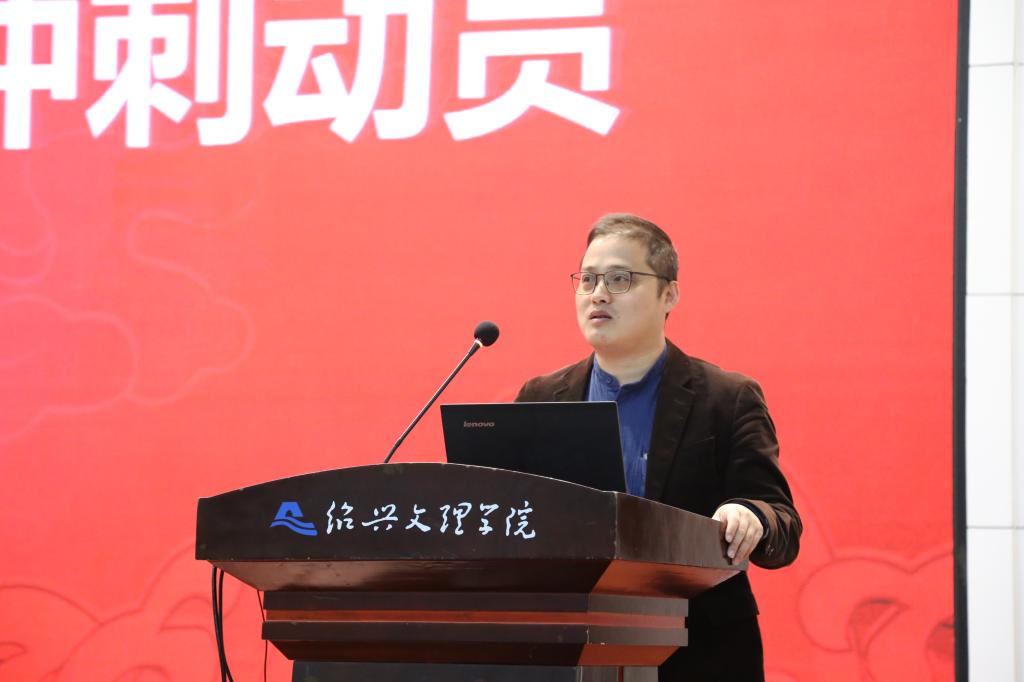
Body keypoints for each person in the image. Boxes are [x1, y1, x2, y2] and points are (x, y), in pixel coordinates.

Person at [515, 213, 801, 682]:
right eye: (587, 279)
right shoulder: (541, 397)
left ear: (669, 294)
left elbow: (782, 524)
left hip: (699, 649)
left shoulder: (725, 398)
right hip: (569, 650)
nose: (598, 294)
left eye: (620, 279)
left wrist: (751, 514)